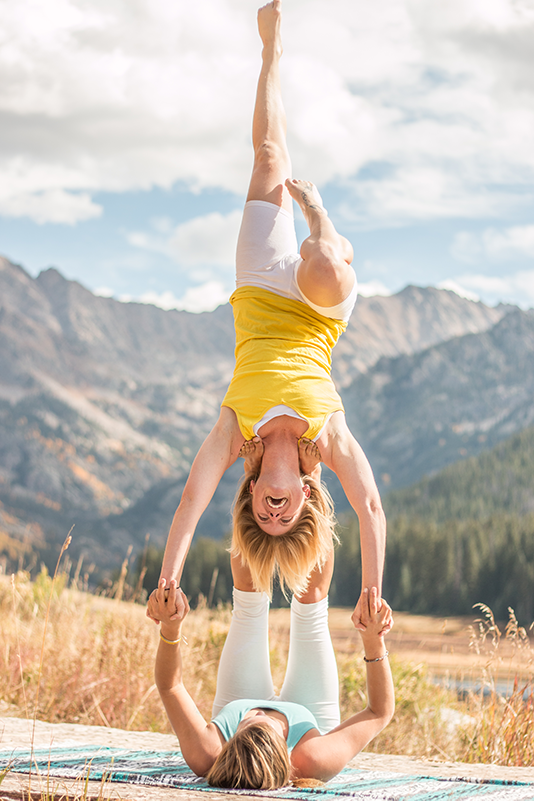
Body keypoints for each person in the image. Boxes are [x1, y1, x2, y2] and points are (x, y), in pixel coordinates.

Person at [156, 0, 386, 625]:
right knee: (322, 265)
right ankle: (327, 233)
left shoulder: (237, 431)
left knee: (265, 158)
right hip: (316, 314)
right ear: (305, 495)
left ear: (253, 494)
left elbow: (191, 498)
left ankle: (271, 51)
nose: (275, 515)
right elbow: (368, 506)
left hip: (257, 292)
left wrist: (168, 579)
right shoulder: (326, 440)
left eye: (265, 515)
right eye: (288, 517)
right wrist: (372, 591)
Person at [148, 550, 394, 789]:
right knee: (312, 599)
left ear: (230, 743)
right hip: (309, 716)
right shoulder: (312, 759)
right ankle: (314, 511)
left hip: (238, 699)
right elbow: (379, 712)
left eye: (249, 723)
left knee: (248, 591)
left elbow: (170, 686)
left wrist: (170, 629)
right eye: (268, 724)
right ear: (286, 758)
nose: (262, 713)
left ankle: (252, 510)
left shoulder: (206, 752)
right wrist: (373, 639)